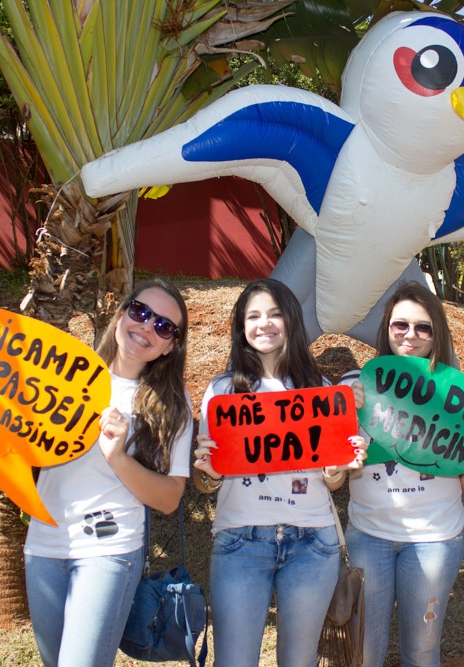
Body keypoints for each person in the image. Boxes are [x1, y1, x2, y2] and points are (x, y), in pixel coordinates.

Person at [0, 279, 194, 667]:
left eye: (164, 326)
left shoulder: (172, 402)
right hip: (45, 544)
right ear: (120, 315)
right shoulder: (61, 373)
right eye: (140, 312)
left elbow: (169, 499)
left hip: (109, 548)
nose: (147, 327)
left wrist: (118, 457)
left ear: (171, 345)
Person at [192, 278, 367, 667]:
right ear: (241, 328)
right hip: (240, 540)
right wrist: (210, 472)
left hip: (312, 542)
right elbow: (206, 482)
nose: (264, 324)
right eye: (252, 316)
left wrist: (337, 469)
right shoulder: (223, 392)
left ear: (290, 320)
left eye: (273, 314)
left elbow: (333, 480)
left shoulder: (320, 390)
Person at [339, 281, 464, 667]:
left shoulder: (460, 398)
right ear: (387, 329)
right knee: (363, 653)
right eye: (400, 326)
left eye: (422, 327)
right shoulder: (356, 385)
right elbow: (334, 469)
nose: (410, 335)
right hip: (368, 536)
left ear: (437, 333)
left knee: (423, 653)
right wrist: (345, 410)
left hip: (434, 540)